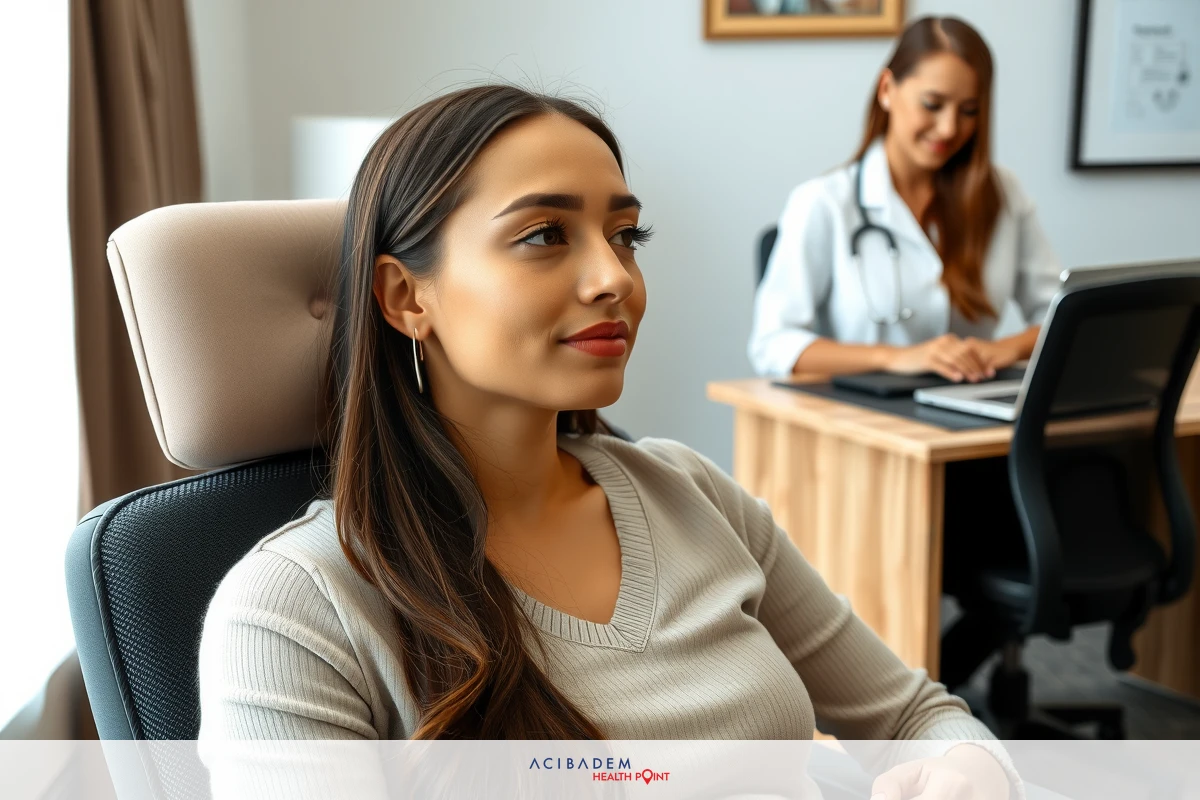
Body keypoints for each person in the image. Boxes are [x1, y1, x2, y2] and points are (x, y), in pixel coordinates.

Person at [198, 85, 1015, 798]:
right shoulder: (294, 610)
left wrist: (970, 770)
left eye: (625, 236)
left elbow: (916, 716)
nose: (615, 279)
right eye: (544, 235)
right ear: (407, 296)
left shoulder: (691, 493)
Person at [749, 16, 1061, 382]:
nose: (948, 128)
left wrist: (1003, 349)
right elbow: (772, 344)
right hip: (860, 420)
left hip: (971, 412)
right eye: (932, 104)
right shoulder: (823, 203)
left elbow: (1062, 314)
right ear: (886, 89)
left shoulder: (1003, 194)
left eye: (969, 111)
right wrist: (895, 358)